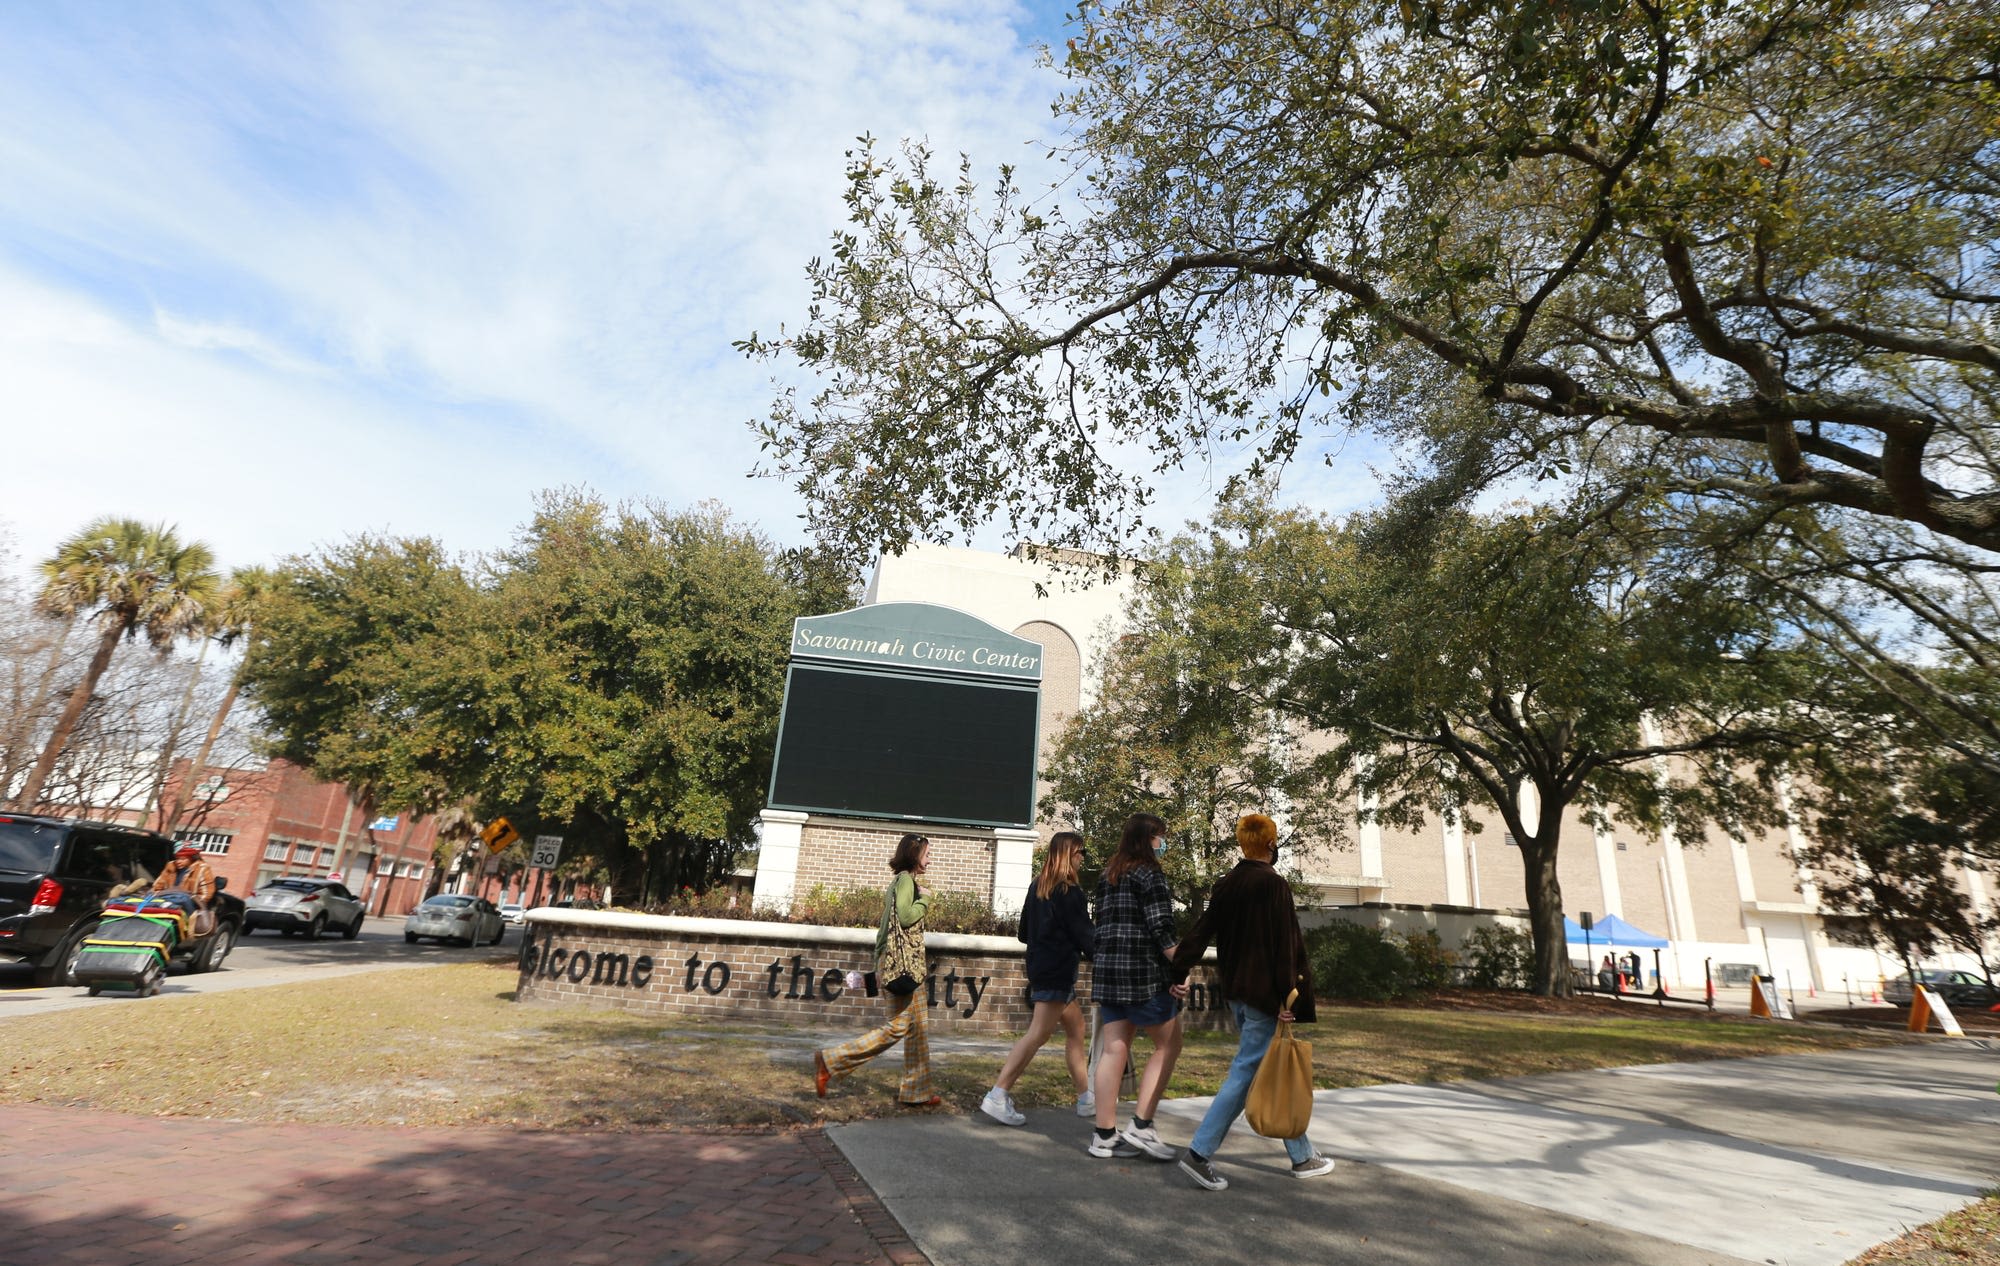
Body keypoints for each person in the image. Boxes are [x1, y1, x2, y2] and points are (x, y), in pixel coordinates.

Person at [1167, 813, 1334, 1190]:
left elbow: (1200, 931)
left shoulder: (1228, 884)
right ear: (1271, 844)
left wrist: (1178, 971)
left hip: (1239, 994)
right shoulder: (1273, 886)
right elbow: (1285, 947)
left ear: (1243, 844)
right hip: (1265, 998)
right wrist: (1287, 995)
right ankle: (1198, 1154)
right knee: (1246, 1073)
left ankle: (1303, 1156)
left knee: (1262, 1068)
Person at [813, 834, 942, 1108]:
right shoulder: (906, 880)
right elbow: (906, 918)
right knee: (899, 1027)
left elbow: (885, 928)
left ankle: (917, 1091)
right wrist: (926, 900)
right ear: (914, 854)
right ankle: (831, 1060)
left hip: (895, 960)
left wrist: (878, 964)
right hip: (904, 963)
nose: (930, 860)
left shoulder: (899, 881)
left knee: (917, 1027)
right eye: (927, 854)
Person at [1087, 812, 1188, 1160]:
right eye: (1160, 837)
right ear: (1148, 839)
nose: (1163, 843)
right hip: (1143, 975)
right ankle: (1142, 1125)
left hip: (1109, 972)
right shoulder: (1150, 874)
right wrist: (1181, 966)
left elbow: (1100, 923)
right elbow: (1161, 927)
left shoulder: (1108, 875)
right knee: (1169, 1043)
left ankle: (1104, 1135)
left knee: (1113, 1049)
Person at [981, 831, 1095, 1126]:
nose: (1083, 858)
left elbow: (1022, 933)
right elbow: (1087, 937)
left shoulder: (1038, 888)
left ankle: (1086, 1098)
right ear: (1068, 855)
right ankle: (998, 1094)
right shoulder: (1069, 892)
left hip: (1042, 968)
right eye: (1080, 852)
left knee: (1077, 1029)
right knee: (1038, 1034)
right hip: (1057, 972)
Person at [152, 842, 217, 935]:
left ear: (192, 858)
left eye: (183, 859)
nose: (178, 861)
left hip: (188, 906)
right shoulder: (170, 865)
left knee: (182, 900)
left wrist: (189, 898)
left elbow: (206, 894)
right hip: (166, 902)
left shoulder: (202, 868)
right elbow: (157, 886)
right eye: (177, 858)